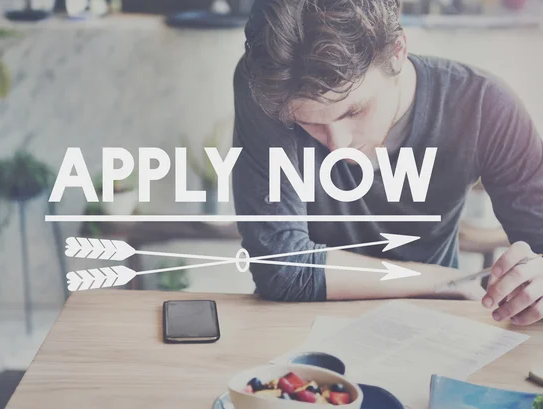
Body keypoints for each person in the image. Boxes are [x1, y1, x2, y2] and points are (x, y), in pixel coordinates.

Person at [231, 0, 543, 326]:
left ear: (397, 51)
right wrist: (441, 281)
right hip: (304, 330)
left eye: (354, 111)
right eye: (306, 122)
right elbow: (282, 268)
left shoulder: (483, 105)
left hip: (437, 326)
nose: (338, 145)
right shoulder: (272, 87)